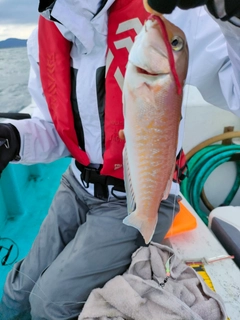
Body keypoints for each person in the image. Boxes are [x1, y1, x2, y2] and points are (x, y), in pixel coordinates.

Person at [0, 0, 239, 319]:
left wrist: (233, 17)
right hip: (75, 184)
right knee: (15, 293)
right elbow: (60, 129)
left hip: (137, 197)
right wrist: (13, 138)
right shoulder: (45, 32)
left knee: (49, 304)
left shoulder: (166, 15)